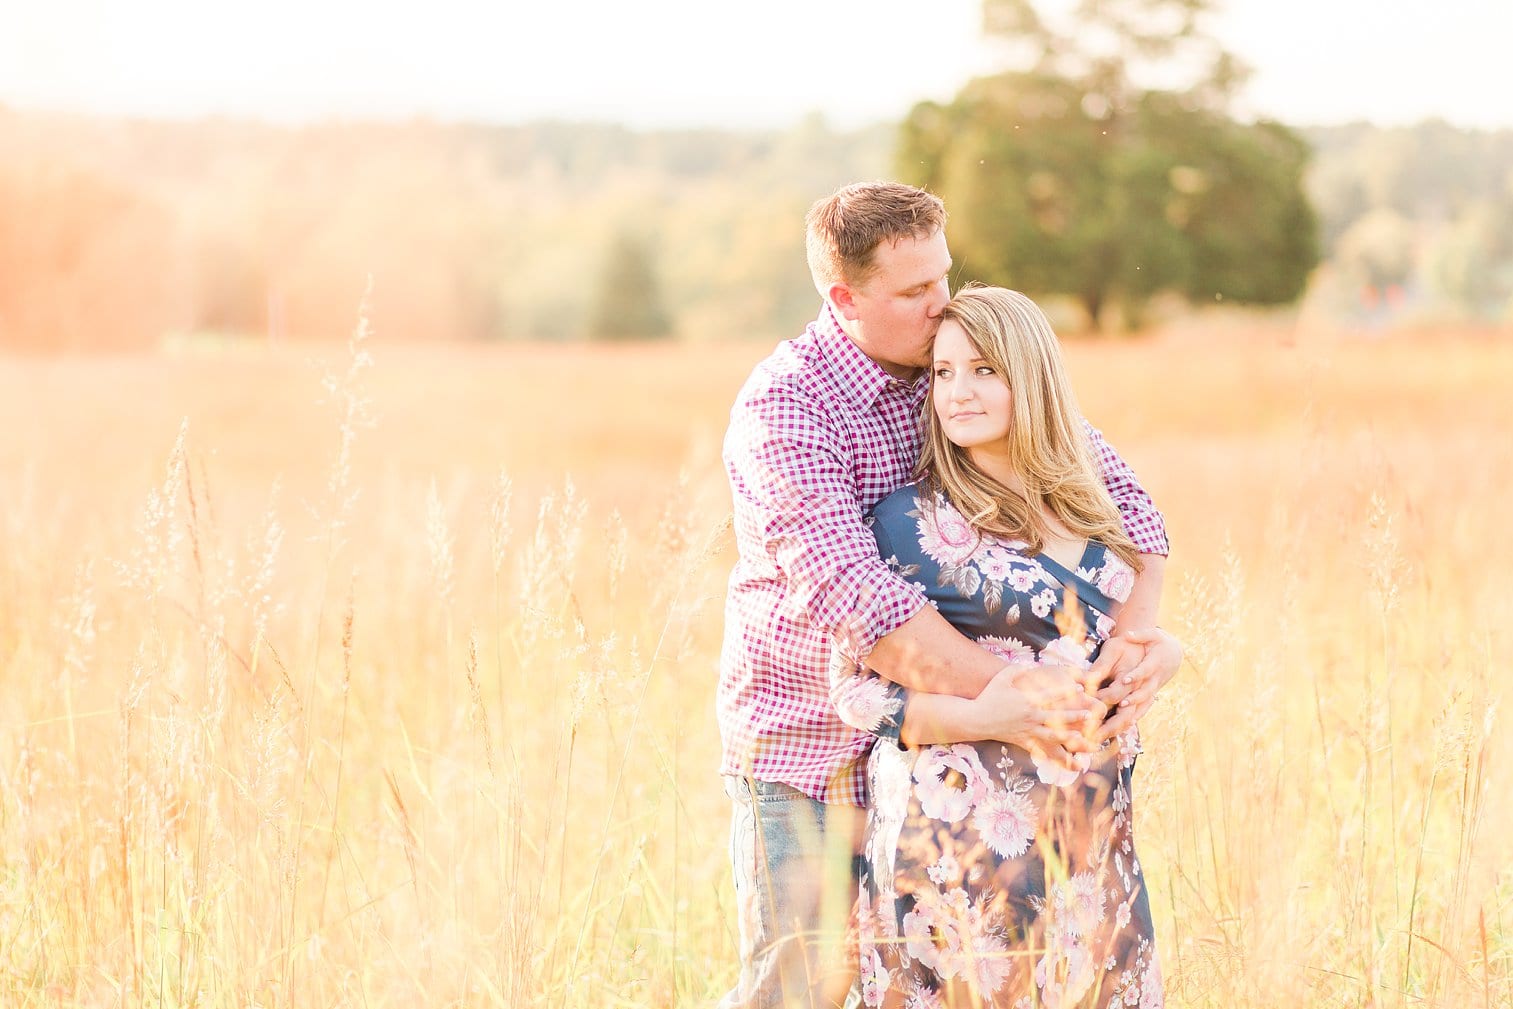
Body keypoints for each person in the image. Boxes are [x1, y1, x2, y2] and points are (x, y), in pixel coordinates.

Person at [718, 182, 1181, 1009]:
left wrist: (1139, 646)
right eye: (914, 292)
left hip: (954, 766)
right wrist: (1022, 701)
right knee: (801, 985)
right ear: (844, 298)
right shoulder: (784, 410)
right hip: (814, 750)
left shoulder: (955, 364)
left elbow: (1128, 510)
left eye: (944, 276)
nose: (942, 305)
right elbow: (861, 606)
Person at [833, 285, 1169, 1008]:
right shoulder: (905, 525)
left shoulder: (1094, 511)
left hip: (1089, 845)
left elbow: (1122, 641)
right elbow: (855, 692)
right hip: (959, 852)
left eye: (983, 370)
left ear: (1031, 376)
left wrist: (1164, 652)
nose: (957, 392)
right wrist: (985, 716)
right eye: (943, 373)